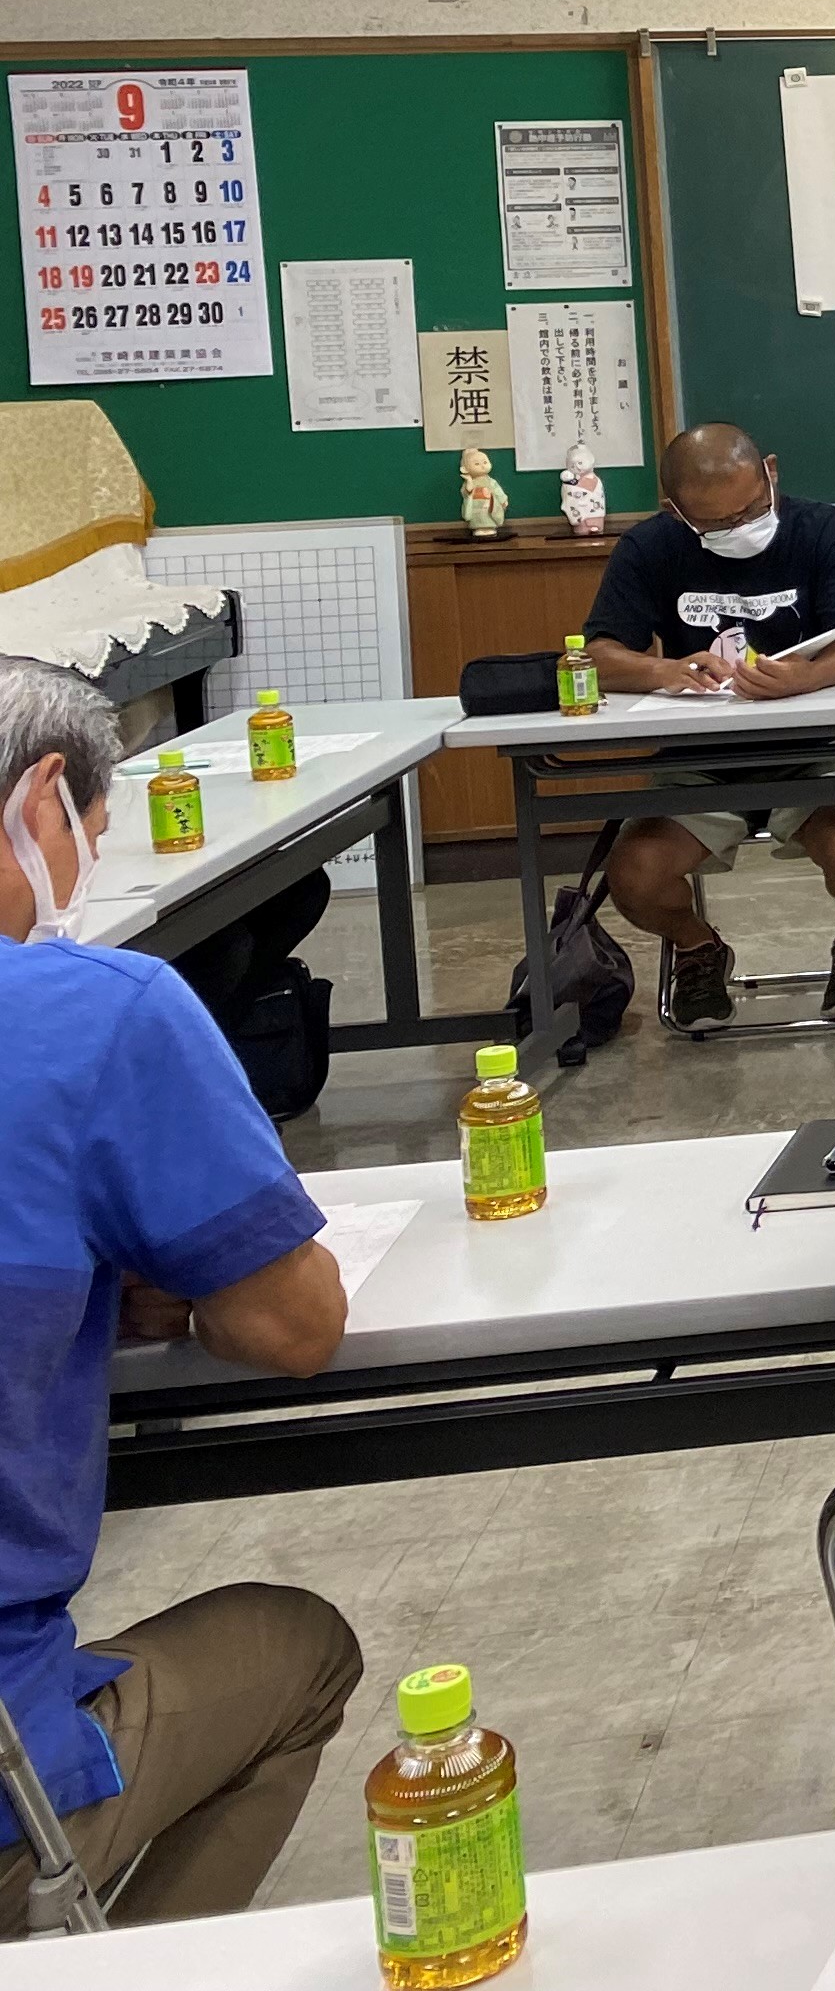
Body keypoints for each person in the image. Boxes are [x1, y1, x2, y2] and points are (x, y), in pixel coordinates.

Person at [0, 659, 363, 1928]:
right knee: (297, 1650)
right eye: (89, 836)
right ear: (42, 798)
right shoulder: (92, 1016)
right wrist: (174, 1294)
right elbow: (296, 1324)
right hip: (4, 1757)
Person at [579, 422, 835, 1028]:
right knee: (636, 875)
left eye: (749, 509)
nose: (738, 527)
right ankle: (698, 947)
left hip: (819, 744)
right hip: (701, 756)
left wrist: (803, 678)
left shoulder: (825, 531)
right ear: (675, 511)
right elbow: (597, 655)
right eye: (715, 524)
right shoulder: (649, 547)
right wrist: (663, 670)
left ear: (770, 473)